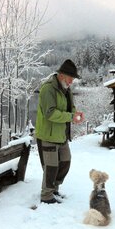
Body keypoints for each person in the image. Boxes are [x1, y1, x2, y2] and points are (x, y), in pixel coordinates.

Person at [35, 59, 85, 204]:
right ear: (62, 75)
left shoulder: (66, 89)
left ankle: (54, 189)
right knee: (51, 167)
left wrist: (75, 114)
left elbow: (71, 107)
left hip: (61, 134)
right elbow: (49, 113)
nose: (72, 82)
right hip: (47, 135)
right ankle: (46, 196)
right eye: (71, 78)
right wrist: (70, 117)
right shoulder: (47, 89)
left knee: (65, 162)